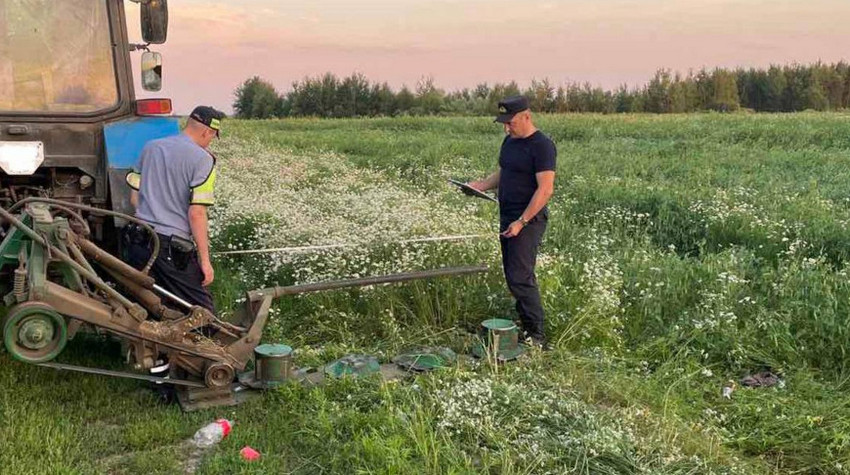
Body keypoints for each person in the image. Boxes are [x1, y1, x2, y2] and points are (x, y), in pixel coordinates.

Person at [466, 96, 556, 347]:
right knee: (512, 274)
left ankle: (537, 336)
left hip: (528, 220)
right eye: (504, 123)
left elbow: (545, 189)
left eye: (511, 123)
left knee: (521, 276)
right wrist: (480, 186)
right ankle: (524, 325)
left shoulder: (542, 146)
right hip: (507, 216)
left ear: (527, 116)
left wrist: (521, 222)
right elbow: (505, 171)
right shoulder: (510, 142)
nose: (507, 128)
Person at [123, 105, 224, 313]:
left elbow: (134, 197)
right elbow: (197, 213)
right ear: (208, 132)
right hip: (171, 248)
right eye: (212, 137)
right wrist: (205, 261)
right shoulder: (203, 160)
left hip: (138, 240)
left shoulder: (151, 147)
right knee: (202, 313)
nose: (210, 141)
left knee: (149, 304)